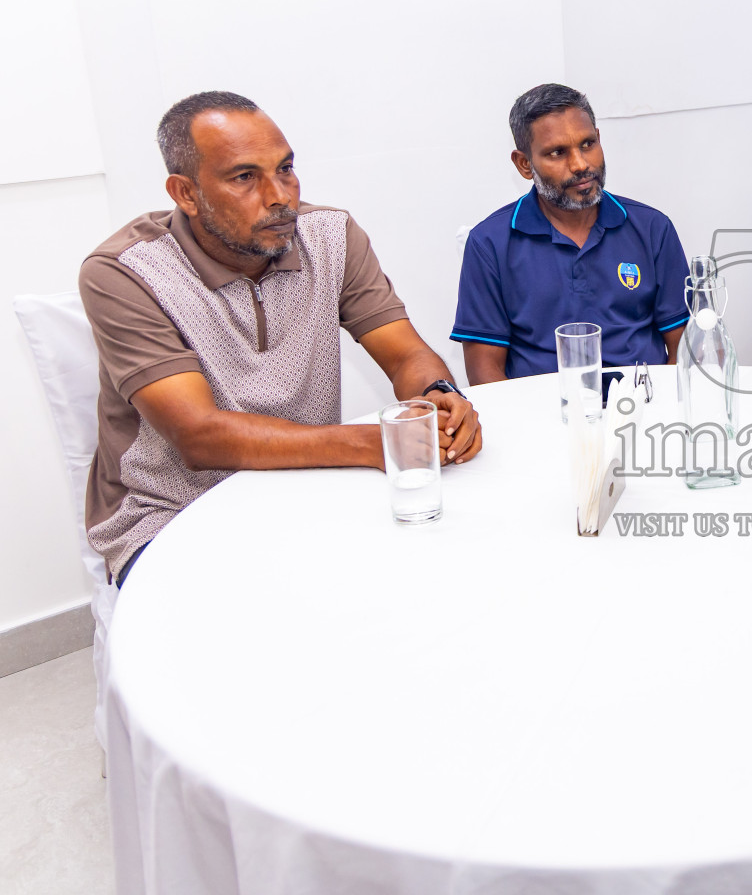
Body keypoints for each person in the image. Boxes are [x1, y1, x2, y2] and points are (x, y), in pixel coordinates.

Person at [80, 92, 484, 588]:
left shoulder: (331, 235)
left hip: (308, 484)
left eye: (286, 168)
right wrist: (375, 442)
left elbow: (405, 352)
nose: (280, 196)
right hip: (171, 513)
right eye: (245, 177)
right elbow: (199, 435)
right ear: (185, 193)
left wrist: (437, 399)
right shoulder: (125, 273)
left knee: (441, 572)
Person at [453, 84, 690, 383]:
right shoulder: (489, 244)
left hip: (642, 407)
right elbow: (484, 372)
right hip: (540, 416)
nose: (581, 165)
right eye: (557, 152)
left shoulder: (652, 228)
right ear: (524, 164)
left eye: (588, 144)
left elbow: (685, 347)